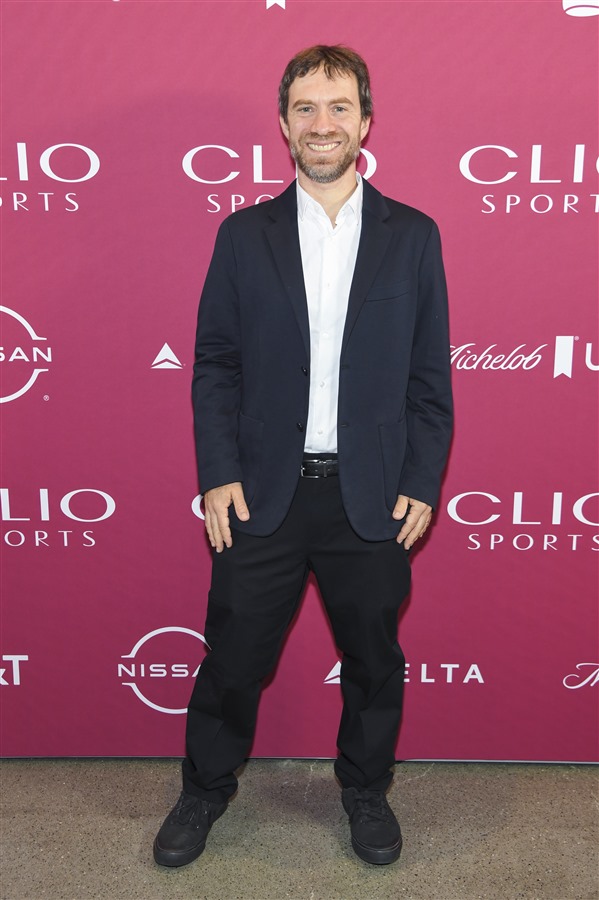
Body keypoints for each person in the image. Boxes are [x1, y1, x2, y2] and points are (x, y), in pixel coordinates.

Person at [153, 44, 453, 868]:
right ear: (284, 126)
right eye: (306, 109)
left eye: (339, 107)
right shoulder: (242, 235)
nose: (323, 124)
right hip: (260, 493)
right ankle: (204, 789)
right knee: (232, 659)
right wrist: (218, 471)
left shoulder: (412, 236)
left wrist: (420, 479)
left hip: (372, 495)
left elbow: (429, 377)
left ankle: (365, 790)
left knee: (373, 662)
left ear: (365, 121)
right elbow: (216, 362)